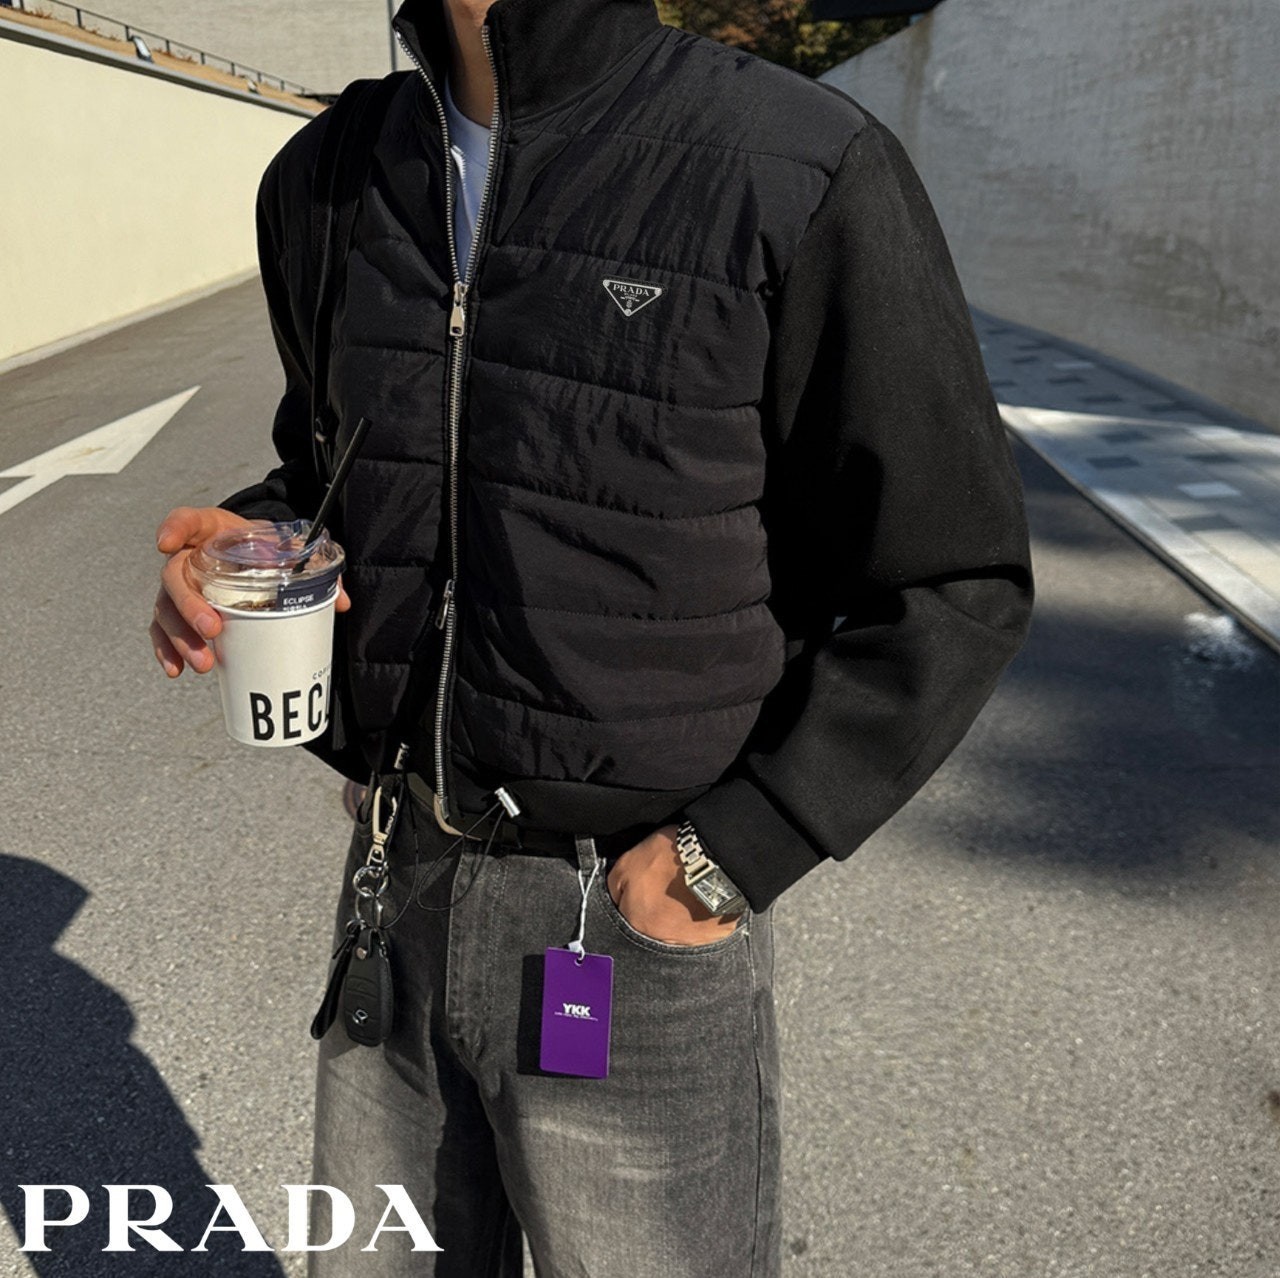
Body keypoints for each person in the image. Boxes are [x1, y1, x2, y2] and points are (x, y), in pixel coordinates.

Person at [150, 0, 1034, 1271]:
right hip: (395, 874)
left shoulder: (791, 162)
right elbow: (330, 470)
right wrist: (248, 544)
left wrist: (732, 853)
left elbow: (949, 571)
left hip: (632, 915)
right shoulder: (327, 173)